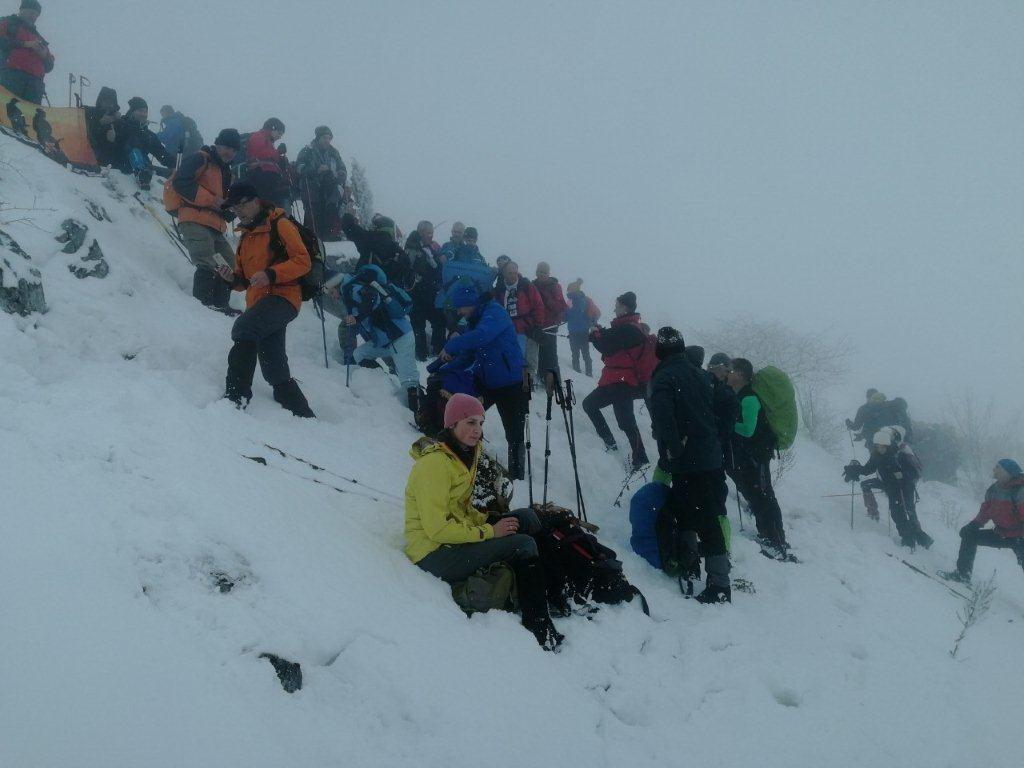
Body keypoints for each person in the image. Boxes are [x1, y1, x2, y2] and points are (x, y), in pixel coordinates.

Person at [405, 393, 562, 650]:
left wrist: (492, 519)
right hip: (432, 553)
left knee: (526, 518)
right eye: (470, 422)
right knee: (522, 544)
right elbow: (437, 529)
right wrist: (490, 531)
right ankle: (539, 627)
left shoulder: (462, 455)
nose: (477, 430)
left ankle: (554, 594)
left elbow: (459, 510)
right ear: (452, 424)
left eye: (480, 423)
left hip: (453, 542)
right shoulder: (434, 465)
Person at [649, 327, 731, 603]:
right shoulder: (701, 373)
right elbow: (729, 402)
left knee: (702, 516)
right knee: (690, 510)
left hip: (688, 461)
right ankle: (691, 562)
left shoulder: (664, 376)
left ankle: (719, 585)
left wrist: (674, 447)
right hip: (708, 456)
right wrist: (717, 434)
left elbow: (663, 417)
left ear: (659, 351)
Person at [219, 181, 314, 418]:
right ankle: (302, 413)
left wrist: (272, 274)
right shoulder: (245, 239)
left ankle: (236, 396)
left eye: (241, 205)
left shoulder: (280, 224)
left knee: (244, 328)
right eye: (234, 208)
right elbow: (246, 281)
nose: (238, 211)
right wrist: (232, 279)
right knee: (273, 363)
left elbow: (303, 261)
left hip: (284, 297)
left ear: (255, 200)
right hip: (261, 302)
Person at [438, 285, 529, 480]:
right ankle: (464, 461)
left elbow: (481, 337)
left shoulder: (494, 312)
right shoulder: (474, 319)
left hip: (511, 383)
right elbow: (469, 353)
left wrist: (451, 345)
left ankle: (517, 474)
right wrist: (441, 369)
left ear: (470, 304)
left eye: (460, 308)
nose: (459, 312)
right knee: (467, 419)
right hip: (487, 382)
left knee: (514, 431)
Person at [172, 129, 241, 313]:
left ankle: (220, 304)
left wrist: (228, 210)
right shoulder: (201, 159)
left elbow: (219, 202)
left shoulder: (225, 171)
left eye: (234, 150)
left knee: (229, 264)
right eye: (226, 147)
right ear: (217, 144)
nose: (229, 152)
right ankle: (203, 306)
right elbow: (180, 182)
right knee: (206, 259)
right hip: (193, 218)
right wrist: (213, 200)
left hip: (214, 224)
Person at [728, 358, 790, 559]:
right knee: (757, 494)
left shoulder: (749, 398)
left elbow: (747, 430)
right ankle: (768, 534)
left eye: (731, 370)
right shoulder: (739, 395)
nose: (728, 373)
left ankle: (776, 539)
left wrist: (726, 423)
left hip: (757, 454)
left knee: (763, 494)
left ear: (740, 374)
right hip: (750, 455)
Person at [583, 292, 651, 471]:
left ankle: (640, 458)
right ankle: (612, 444)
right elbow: (610, 339)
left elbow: (606, 345)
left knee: (626, 421)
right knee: (590, 405)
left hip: (623, 381)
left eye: (617, 306)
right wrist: (599, 334)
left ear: (625, 308)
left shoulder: (630, 329)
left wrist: (595, 334)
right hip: (615, 380)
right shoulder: (628, 327)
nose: (614, 309)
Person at [340, 263, 420, 413]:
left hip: (400, 337)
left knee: (409, 380)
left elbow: (372, 301)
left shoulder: (353, 289)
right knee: (359, 354)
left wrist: (358, 318)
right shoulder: (353, 288)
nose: (332, 296)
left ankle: (419, 413)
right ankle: (382, 383)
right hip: (385, 340)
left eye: (331, 291)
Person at [843, 426, 933, 549]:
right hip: (891, 487)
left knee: (908, 512)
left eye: (883, 447)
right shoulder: (876, 455)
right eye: (878, 446)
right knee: (897, 514)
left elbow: (914, 473)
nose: (880, 449)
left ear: (888, 445)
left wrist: (902, 476)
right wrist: (854, 470)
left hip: (905, 487)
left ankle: (917, 540)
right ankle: (909, 538)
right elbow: (868, 469)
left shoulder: (899, 455)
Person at [940, 460, 1024, 584]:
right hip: (1001, 533)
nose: (994, 470)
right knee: (970, 535)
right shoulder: (994, 489)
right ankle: (962, 575)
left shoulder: (1020, 491)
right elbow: (986, 510)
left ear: (1008, 472)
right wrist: (974, 524)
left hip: (1020, 537)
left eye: (998, 467)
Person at [493, 260, 543, 381]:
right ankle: (513, 383)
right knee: (511, 358)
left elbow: (538, 305)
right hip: (508, 329)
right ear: (504, 274)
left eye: (515, 272)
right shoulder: (500, 289)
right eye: (510, 273)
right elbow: (495, 309)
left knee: (529, 361)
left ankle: (527, 387)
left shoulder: (526, 286)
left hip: (527, 328)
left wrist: (537, 326)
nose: (513, 275)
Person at [111, 97, 175, 189]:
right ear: (132, 111)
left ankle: (144, 172)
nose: (143, 114)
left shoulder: (148, 135)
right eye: (140, 111)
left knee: (170, 172)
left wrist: (175, 164)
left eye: (145, 111)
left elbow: (161, 153)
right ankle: (141, 170)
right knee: (133, 141)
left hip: (146, 169)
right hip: (119, 165)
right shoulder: (120, 124)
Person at [295, 126, 347, 240]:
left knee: (330, 216)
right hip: (312, 191)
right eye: (324, 137)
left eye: (329, 138)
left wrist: (339, 175)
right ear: (318, 138)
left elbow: (342, 168)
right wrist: (316, 170)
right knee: (312, 219)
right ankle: (311, 243)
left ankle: (328, 240)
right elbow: (299, 168)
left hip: (330, 192)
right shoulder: (307, 151)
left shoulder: (334, 153)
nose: (327, 140)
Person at [406, 220, 446, 361]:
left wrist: (440, 262)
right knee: (418, 327)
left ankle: (437, 352)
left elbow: (435, 268)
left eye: (432, 233)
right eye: (428, 233)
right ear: (420, 232)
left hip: (429, 294)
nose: (431, 236)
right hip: (416, 294)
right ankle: (421, 356)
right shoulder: (412, 247)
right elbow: (409, 269)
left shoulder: (428, 248)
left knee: (439, 321)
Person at [340, 210, 413, 289]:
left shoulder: (369, 238)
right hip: (388, 294)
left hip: (365, 288)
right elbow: (409, 275)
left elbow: (349, 227)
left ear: (378, 227)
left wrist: (349, 215)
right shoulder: (398, 250)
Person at [0, 1, 52, 104]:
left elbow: (50, 65)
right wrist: (25, 44)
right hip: (10, 76)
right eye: (30, 12)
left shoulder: (40, 38)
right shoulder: (7, 23)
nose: (33, 16)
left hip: (35, 85)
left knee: (29, 118)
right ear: (21, 10)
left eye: (36, 14)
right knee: (8, 114)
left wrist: (44, 56)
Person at [532, 262, 567, 383]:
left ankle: (555, 381)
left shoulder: (555, 286)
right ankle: (543, 378)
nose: (542, 274)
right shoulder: (532, 285)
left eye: (544, 272)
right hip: (537, 325)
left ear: (548, 274)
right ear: (536, 272)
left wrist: (547, 299)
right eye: (540, 272)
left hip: (550, 325)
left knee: (550, 354)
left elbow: (561, 307)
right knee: (541, 353)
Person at [244, 118, 289, 208]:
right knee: (268, 207)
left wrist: (280, 158)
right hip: (262, 178)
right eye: (279, 133)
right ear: (273, 129)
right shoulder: (258, 136)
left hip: (267, 179)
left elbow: (269, 157)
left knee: (274, 207)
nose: (280, 137)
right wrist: (278, 153)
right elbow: (260, 153)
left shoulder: (267, 140)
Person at [565, 279, 599, 377]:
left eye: (570, 290)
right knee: (583, 353)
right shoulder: (577, 300)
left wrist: (566, 314)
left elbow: (574, 313)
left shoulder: (580, 300)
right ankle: (584, 372)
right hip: (580, 331)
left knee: (578, 353)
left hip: (577, 331)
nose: (568, 292)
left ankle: (580, 372)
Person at [85, 86, 121, 167]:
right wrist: (99, 123)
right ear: (100, 101)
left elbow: (119, 148)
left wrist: (111, 141)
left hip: (107, 163)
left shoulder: (118, 121)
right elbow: (81, 130)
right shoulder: (89, 112)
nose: (109, 105)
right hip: (85, 155)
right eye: (106, 101)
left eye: (112, 102)